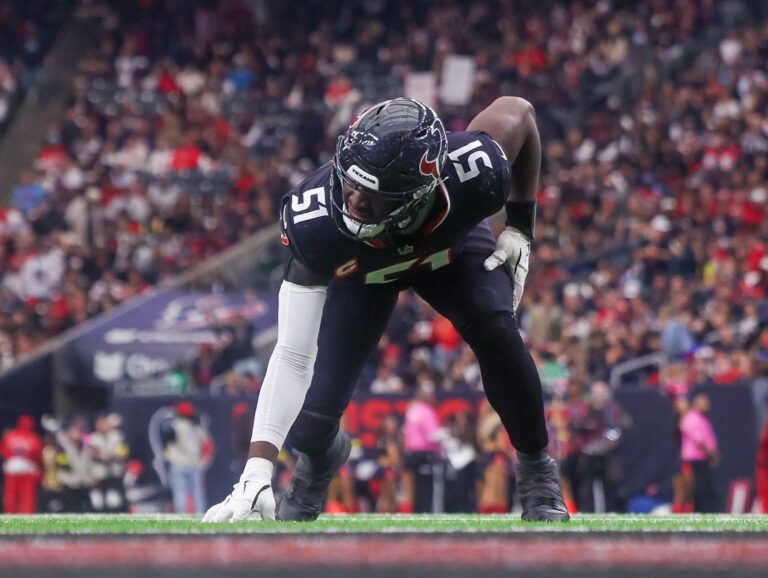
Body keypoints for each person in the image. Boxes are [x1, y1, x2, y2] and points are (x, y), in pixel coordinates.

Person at [204, 96, 569, 523]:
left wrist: (521, 226)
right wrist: (257, 469)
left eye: (374, 194)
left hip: (448, 253)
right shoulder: (316, 222)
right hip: (366, 273)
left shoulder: (473, 170)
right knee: (311, 417)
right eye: (351, 183)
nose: (355, 200)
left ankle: (537, 471)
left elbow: (521, 112)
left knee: (498, 333)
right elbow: (291, 353)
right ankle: (320, 460)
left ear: (420, 192)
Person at [165, 401, 213, 514]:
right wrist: (203, 461)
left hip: (178, 463)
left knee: (180, 491)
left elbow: (167, 443)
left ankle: (181, 514)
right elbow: (208, 445)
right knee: (197, 492)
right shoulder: (197, 427)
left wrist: (169, 457)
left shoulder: (174, 425)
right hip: (194, 463)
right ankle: (200, 513)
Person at [680, 393, 720, 512]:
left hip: (703, 459)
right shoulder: (692, 419)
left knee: (706, 488)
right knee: (699, 488)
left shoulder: (702, 419)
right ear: (697, 403)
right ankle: (701, 511)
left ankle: (705, 511)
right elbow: (699, 441)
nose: (708, 405)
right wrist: (711, 454)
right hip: (695, 460)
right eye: (704, 402)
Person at [1, 415, 43, 514]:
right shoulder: (34, 438)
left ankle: (10, 514)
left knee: (11, 494)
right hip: (28, 469)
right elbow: (38, 456)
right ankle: (26, 514)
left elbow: (3, 451)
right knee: (27, 495)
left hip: (12, 468)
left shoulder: (9, 436)